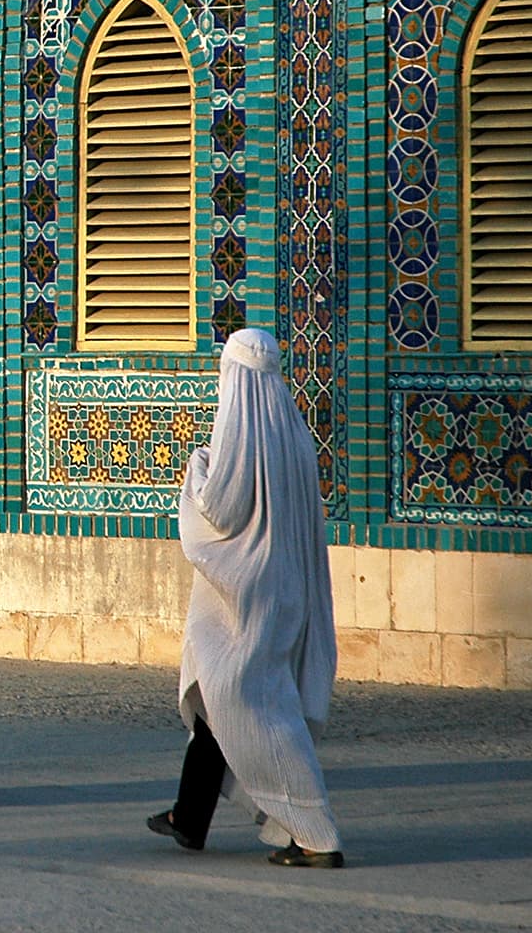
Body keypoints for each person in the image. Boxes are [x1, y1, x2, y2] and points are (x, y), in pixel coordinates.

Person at [147, 327, 345, 868]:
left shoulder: (237, 443)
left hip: (243, 606)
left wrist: (194, 472)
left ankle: (316, 832)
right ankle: (190, 817)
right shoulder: (297, 437)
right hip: (287, 594)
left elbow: (215, 517)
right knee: (221, 702)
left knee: (260, 712)